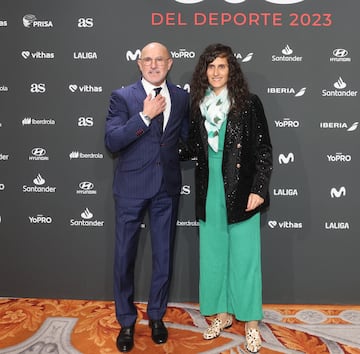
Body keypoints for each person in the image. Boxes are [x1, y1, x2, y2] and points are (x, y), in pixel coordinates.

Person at [105, 42, 189, 352]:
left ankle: (156, 315)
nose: (153, 65)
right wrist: (143, 117)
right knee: (124, 257)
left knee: (163, 257)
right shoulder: (123, 97)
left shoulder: (181, 97)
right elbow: (112, 140)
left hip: (166, 188)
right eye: (147, 60)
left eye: (159, 60)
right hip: (130, 189)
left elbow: (184, 139)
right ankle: (126, 321)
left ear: (169, 64)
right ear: (139, 64)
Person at [188, 43, 272, 353]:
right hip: (209, 191)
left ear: (231, 70)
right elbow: (191, 148)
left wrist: (258, 190)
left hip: (242, 192)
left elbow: (264, 151)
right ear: (204, 71)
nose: (215, 72)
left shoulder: (248, 104)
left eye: (221, 66)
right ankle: (221, 315)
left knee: (245, 260)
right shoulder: (198, 105)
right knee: (212, 258)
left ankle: (250, 323)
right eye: (210, 66)